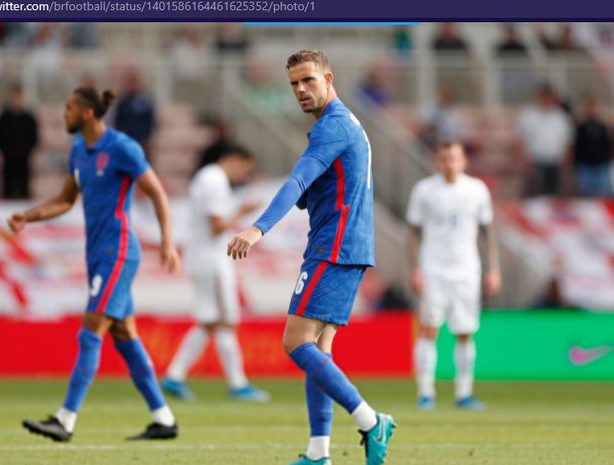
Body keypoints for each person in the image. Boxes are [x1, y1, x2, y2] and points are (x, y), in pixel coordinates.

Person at [227, 50, 396, 465]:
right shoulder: (343, 125)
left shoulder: (333, 126)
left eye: (308, 80)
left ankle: (371, 420)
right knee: (319, 348)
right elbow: (320, 187)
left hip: (333, 247)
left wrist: (257, 227)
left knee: (295, 342)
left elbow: (298, 179)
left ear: (328, 78)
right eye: (293, 84)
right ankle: (318, 453)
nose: (301, 90)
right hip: (349, 246)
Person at [8, 87, 180, 443]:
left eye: (69, 107)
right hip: (96, 254)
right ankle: (163, 417)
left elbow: (157, 192)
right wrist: (28, 216)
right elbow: (65, 200)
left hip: (117, 252)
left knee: (90, 330)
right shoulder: (79, 151)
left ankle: (65, 419)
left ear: (87, 113)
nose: (63, 113)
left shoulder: (121, 147)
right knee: (125, 336)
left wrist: (166, 241)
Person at [161, 147, 269, 402]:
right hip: (212, 261)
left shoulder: (208, 178)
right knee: (226, 319)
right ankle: (238, 384)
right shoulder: (214, 180)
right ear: (234, 159)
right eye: (246, 168)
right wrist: (243, 211)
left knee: (209, 320)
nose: (245, 175)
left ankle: (175, 376)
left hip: (203, 258)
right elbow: (217, 226)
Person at [406, 141, 501, 411]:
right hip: (433, 269)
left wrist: (493, 269)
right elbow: (412, 232)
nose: (450, 163)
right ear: (437, 161)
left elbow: (487, 231)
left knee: (465, 331)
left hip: (467, 271)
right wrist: (414, 269)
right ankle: (425, 393)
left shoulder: (477, 189)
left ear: (463, 161)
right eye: (445, 158)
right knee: (429, 329)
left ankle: (464, 392)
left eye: (454, 158)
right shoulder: (424, 190)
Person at [517, 83, 573, 197]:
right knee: (535, 193)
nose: (546, 99)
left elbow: (567, 140)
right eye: (543, 96)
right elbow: (521, 139)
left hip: (555, 161)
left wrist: (566, 158)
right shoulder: (529, 115)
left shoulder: (560, 116)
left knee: (555, 194)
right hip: (536, 161)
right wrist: (523, 159)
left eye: (548, 96)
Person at [0, 83, 39, 199]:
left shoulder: (29, 118)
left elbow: (34, 138)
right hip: (8, 159)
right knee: (7, 190)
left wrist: (26, 152)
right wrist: (6, 152)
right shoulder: (3, 118)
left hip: (24, 159)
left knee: (24, 190)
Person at [572, 95, 612, 197]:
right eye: (590, 107)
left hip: (601, 165)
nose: (592, 110)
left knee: (603, 194)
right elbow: (577, 147)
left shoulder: (603, 127)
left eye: (594, 107)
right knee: (586, 194)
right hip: (585, 166)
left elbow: (607, 145)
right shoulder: (581, 127)